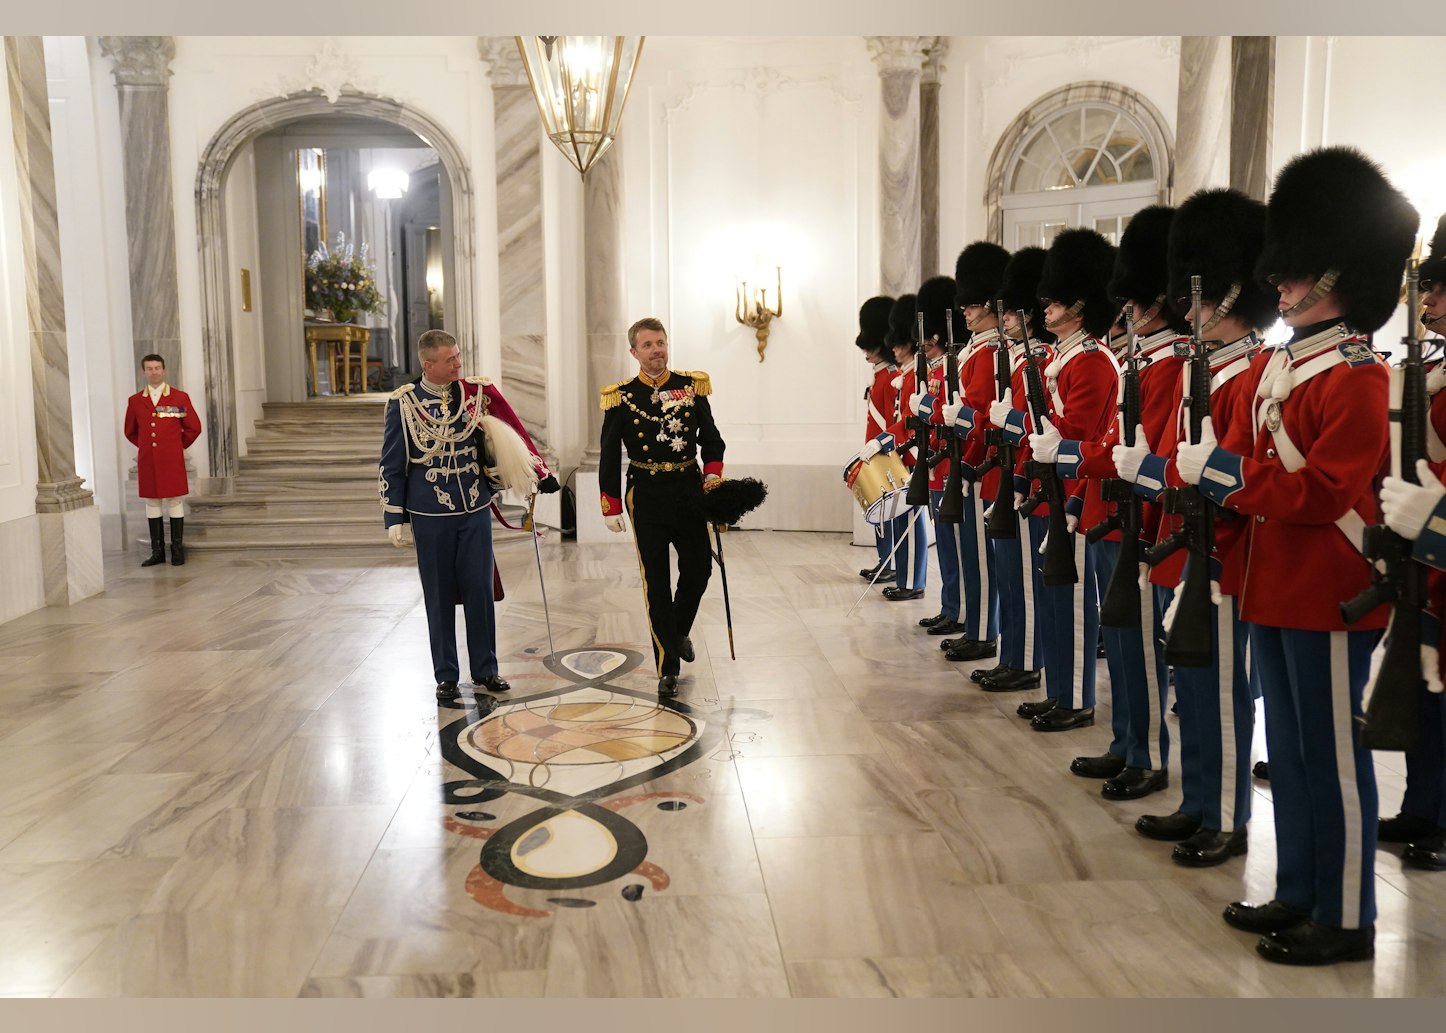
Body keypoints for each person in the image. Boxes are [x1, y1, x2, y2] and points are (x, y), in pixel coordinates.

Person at [1176, 146, 1417, 965]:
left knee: (1332, 760)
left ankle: (1347, 916)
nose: (1277, 283)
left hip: (1327, 588)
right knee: (1293, 748)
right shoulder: (1289, 360)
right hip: (1270, 584)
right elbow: (1250, 466)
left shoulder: (1356, 374)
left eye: (1293, 272)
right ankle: (1300, 889)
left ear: (1333, 273)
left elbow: (1318, 493)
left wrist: (1222, 472)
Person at [1113, 187, 1275, 865]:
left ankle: (1230, 816)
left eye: (1202, 298)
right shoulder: (1201, 371)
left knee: (1224, 697)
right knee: (1197, 691)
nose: (1190, 310)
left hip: (1228, 553)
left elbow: (1237, 471)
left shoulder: (1257, 371)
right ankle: (1198, 801)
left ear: (1234, 296)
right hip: (1186, 545)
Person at [1042, 206, 1188, 799]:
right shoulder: (1137, 358)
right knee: (1122, 640)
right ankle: (1127, 740)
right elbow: (1110, 440)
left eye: (1134, 297)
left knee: (1140, 644)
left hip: (1137, 521)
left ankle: (1148, 755)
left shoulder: (1171, 359)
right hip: (1107, 513)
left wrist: (1079, 459)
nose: (1124, 306)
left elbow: (1139, 449)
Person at [379, 329, 558, 703]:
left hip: (474, 507)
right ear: (429, 364)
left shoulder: (477, 393)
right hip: (428, 513)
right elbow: (392, 464)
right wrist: (394, 516)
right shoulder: (405, 404)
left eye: (459, 356)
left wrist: (539, 472)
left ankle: (486, 670)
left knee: (479, 589)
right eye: (451, 359)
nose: (459, 364)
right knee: (439, 595)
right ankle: (446, 675)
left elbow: (513, 429)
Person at [1001, 228, 1119, 733]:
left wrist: (1058, 487)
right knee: (1051, 600)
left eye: (1054, 300)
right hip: (1046, 491)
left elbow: (1079, 436)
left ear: (1078, 304)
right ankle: (1058, 690)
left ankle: (1076, 697)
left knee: (1070, 602)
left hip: (1069, 494)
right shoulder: (1058, 357)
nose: (1043, 307)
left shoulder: (1089, 361)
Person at [599, 317, 726, 697]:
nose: (657, 350)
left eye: (661, 342)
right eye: (648, 345)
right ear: (634, 352)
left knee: (699, 570)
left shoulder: (691, 387)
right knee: (656, 582)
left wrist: (713, 478)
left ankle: (677, 631)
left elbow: (713, 441)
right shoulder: (619, 396)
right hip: (647, 494)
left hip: (688, 490)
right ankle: (667, 666)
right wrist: (609, 505)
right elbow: (608, 453)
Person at [1377, 212, 1446, 871]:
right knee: (1427, 688)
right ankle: (1423, 803)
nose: (1427, 301)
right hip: (1427, 556)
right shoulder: (1434, 365)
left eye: (1438, 289)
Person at [931, 242, 1009, 658]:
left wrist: (955, 416)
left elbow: (979, 412)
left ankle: (982, 632)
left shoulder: (992, 349)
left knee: (980, 559)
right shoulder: (975, 349)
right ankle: (976, 626)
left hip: (979, 465)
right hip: (965, 461)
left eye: (973, 302)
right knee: (971, 554)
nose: (965, 309)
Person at [862, 294, 929, 601]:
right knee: (894, 516)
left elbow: (900, 421)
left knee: (907, 521)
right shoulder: (892, 376)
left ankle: (911, 580)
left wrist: (901, 455)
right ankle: (899, 572)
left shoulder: (897, 376)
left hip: (904, 458)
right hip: (892, 456)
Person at [123, 353, 201, 567]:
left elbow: (194, 427)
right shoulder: (136, 401)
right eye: (150, 368)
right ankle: (157, 551)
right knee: (152, 501)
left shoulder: (179, 398)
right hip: (148, 460)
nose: (154, 372)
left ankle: (177, 549)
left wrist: (176, 446)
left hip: (171, 460)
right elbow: (130, 431)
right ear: (144, 372)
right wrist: (147, 447)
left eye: (157, 368)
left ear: (164, 370)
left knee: (175, 500)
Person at [855, 295, 899, 583]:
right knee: (881, 514)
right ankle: (886, 560)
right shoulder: (880, 376)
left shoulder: (891, 377)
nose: (866, 352)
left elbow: (894, 421)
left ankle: (894, 563)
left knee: (893, 515)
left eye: (871, 347)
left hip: (888, 454)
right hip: (876, 453)